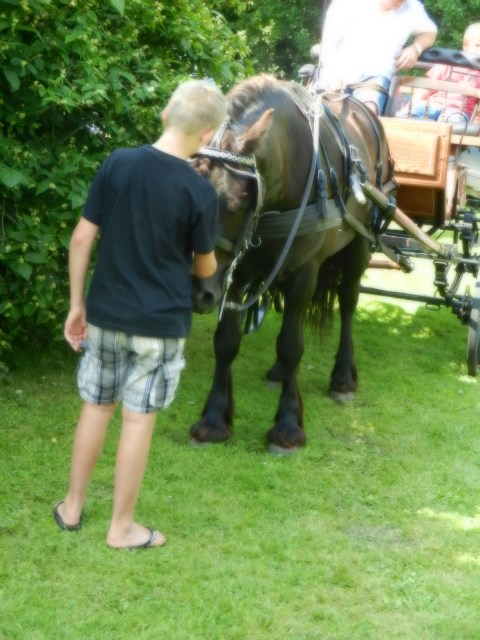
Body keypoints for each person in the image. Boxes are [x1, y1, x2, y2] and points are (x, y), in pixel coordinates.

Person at [53, 79, 227, 549]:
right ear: (208, 135)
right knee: (137, 419)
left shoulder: (117, 163)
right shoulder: (201, 191)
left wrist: (77, 305)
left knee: (96, 407)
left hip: (105, 316)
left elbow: (81, 239)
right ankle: (122, 528)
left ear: (166, 114)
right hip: (160, 326)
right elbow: (205, 267)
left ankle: (71, 508)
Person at [318, 0, 437, 114]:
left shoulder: (413, 8)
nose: (399, 2)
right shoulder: (345, 4)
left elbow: (430, 32)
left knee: (369, 110)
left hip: (375, 79)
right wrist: (332, 72)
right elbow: (327, 45)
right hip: (337, 72)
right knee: (321, 110)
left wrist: (416, 48)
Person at [400, 23, 480, 123]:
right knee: (416, 110)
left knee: (454, 121)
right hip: (433, 103)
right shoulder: (448, 64)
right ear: (466, 47)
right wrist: (408, 107)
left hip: (458, 111)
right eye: (478, 45)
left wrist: (473, 91)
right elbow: (426, 88)